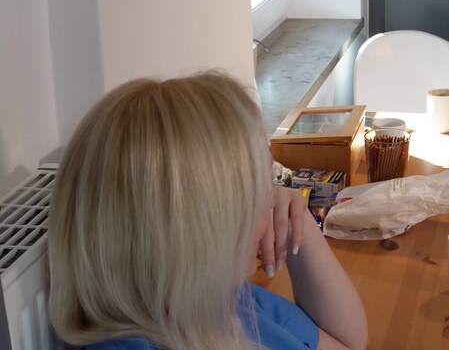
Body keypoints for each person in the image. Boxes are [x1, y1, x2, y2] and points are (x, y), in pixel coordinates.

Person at [48, 73, 368, 350]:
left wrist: (301, 226)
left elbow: (347, 343)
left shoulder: (226, 302)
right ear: (198, 226)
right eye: (257, 190)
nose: (271, 204)